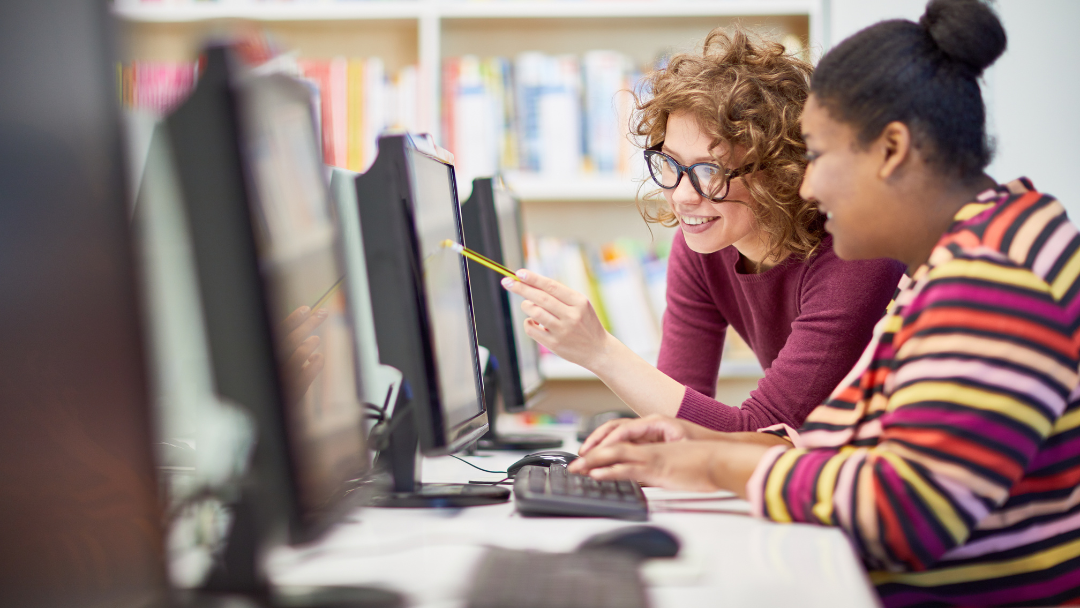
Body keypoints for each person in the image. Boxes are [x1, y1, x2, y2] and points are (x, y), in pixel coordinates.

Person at [569, 1, 1080, 605]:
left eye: (819, 155)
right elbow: (849, 441)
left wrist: (711, 466)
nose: (806, 185)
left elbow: (902, 513)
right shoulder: (967, 252)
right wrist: (699, 445)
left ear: (890, 150)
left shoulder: (992, 279)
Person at [503, 28, 905, 433]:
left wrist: (602, 352)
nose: (681, 196)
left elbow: (765, 432)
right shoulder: (701, 247)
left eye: (709, 171)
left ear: (781, 172)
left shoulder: (855, 254)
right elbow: (678, 409)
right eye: (671, 163)